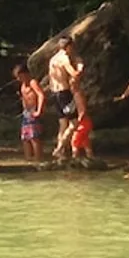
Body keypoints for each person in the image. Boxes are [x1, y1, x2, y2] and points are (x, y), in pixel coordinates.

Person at [47, 36, 85, 164]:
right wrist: (80, 66)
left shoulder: (53, 59)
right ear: (68, 46)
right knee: (74, 123)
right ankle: (59, 148)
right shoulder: (64, 59)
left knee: (63, 124)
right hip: (64, 93)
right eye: (71, 47)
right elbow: (74, 74)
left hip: (54, 93)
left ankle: (61, 154)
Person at [13, 63, 47, 162]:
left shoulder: (33, 82)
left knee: (34, 136)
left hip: (34, 110)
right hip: (26, 112)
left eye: (20, 76)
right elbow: (24, 99)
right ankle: (28, 158)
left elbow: (41, 95)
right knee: (25, 136)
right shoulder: (22, 86)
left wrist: (39, 110)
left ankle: (38, 158)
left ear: (25, 74)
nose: (19, 79)